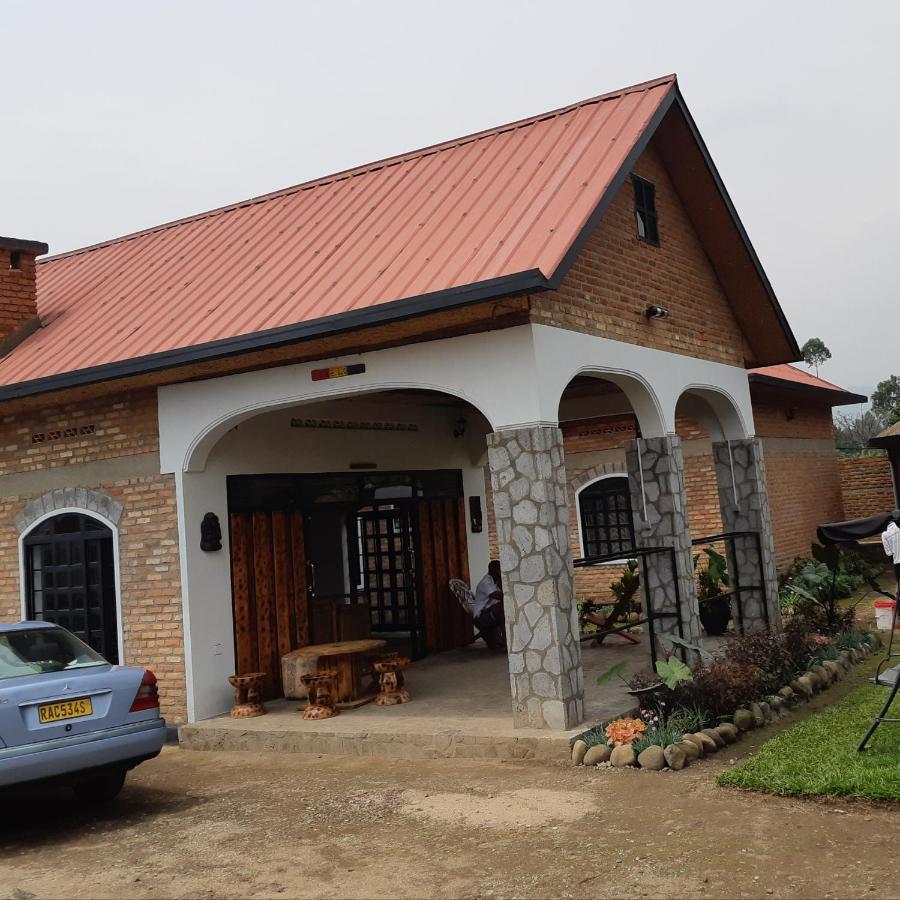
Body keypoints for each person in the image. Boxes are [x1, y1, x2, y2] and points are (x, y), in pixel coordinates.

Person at [473, 560, 506, 651]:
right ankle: (506, 641)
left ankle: (505, 640)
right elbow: (499, 596)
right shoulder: (486, 582)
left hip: (490, 613)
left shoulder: (495, 581)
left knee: (503, 610)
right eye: (499, 569)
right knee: (502, 607)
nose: (502, 571)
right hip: (481, 618)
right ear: (493, 570)